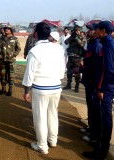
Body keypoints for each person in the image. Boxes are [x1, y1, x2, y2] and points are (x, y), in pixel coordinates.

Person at [22, 22, 65, 155]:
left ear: (35, 35)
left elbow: (29, 74)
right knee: (53, 114)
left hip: (41, 88)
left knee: (40, 117)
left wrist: (26, 92)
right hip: (56, 87)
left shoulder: (34, 51)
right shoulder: (59, 48)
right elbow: (62, 70)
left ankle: (42, 145)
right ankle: (52, 140)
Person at [83, 21, 114, 160]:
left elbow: (109, 70)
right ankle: (99, 147)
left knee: (105, 118)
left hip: (106, 88)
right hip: (106, 86)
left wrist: (101, 88)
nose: (95, 32)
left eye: (98, 30)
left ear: (103, 31)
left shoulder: (108, 46)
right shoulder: (108, 44)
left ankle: (102, 152)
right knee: (101, 117)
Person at [75, 23, 102, 144]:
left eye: (90, 30)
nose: (88, 31)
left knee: (94, 108)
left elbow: (95, 66)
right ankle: (91, 128)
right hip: (89, 80)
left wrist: (81, 69)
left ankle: (94, 133)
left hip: (93, 81)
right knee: (90, 106)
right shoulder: (91, 44)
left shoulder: (96, 45)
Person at [0, 25, 21, 96]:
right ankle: (3, 89)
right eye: (5, 29)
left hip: (11, 60)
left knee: (11, 75)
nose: (6, 30)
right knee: (2, 74)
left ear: (11, 30)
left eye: (8, 29)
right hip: (2, 60)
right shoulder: (0, 39)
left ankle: (10, 89)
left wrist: (13, 55)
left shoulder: (15, 39)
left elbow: (18, 49)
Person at [63, 26, 87, 92]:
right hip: (70, 56)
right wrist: (71, 37)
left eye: (78, 31)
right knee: (69, 71)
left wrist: (76, 37)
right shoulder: (72, 37)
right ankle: (68, 84)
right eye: (76, 31)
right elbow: (66, 42)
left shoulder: (82, 37)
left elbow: (82, 44)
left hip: (77, 57)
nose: (77, 32)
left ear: (80, 31)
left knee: (77, 72)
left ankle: (77, 86)